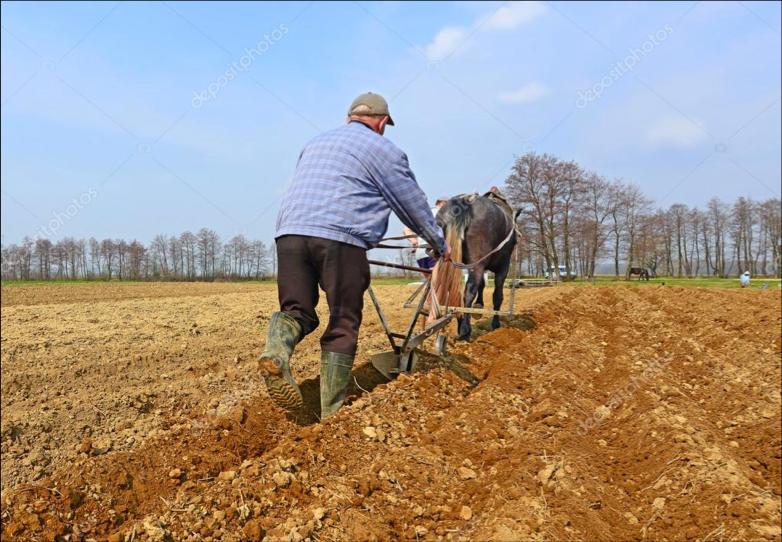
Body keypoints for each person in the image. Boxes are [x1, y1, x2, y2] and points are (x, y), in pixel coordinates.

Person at [261, 92, 449, 419]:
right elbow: (412, 203)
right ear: (380, 122)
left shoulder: (315, 143)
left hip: (288, 234)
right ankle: (331, 414)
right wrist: (438, 243)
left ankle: (276, 352)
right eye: (385, 125)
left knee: (298, 310)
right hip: (340, 240)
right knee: (343, 320)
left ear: (350, 117)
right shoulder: (383, 150)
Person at [403, 197, 448, 274]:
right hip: (434, 253)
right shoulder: (443, 214)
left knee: (430, 282)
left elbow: (406, 230)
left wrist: (414, 242)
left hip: (420, 254)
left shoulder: (423, 214)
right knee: (437, 283)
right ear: (442, 203)